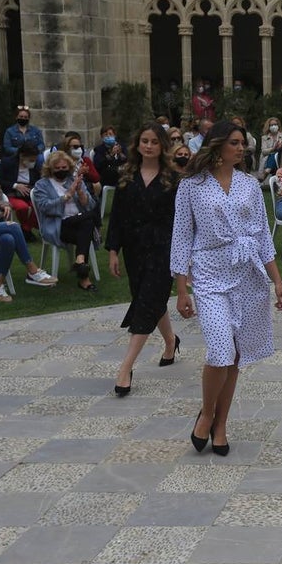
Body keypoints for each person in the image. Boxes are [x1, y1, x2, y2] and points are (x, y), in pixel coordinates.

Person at [172, 119, 282, 455]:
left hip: (247, 276)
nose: (241, 148)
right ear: (218, 144)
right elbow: (181, 237)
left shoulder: (249, 184)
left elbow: (262, 234)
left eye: (242, 143)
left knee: (235, 354)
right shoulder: (191, 186)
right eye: (234, 143)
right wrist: (182, 289)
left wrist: (277, 280)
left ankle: (221, 424)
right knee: (220, 350)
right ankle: (207, 414)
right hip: (209, 276)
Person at [106, 123, 180, 397]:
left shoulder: (173, 178)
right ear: (137, 144)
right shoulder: (126, 175)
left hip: (163, 248)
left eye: (154, 141)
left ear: (162, 146)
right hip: (134, 248)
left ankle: (125, 369)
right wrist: (113, 251)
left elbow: (181, 220)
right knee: (149, 299)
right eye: (144, 141)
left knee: (147, 302)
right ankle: (171, 341)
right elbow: (117, 216)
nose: (149, 146)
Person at [32, 151, 98, 291]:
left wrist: (80, 192)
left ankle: (80, 262)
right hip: (58, 225)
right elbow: (44, 207)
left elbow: (90, 205)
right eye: (57, 168)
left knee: (85, 225)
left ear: (69, 167)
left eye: (64, 168)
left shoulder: (74, 180)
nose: (61, 170)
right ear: (50, 168)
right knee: (89, 219)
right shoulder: (41, 185)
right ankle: (84, 278)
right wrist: (67, 196)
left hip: (78, 225)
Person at [0, 180, 58, 302]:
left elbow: (0, 200)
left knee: (8, 240)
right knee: (13, 227)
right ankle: (32, 270)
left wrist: (4, 205)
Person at [0, 141, 42, 236]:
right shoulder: (7, 162)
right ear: (22, 156)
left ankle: (26, 229)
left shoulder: (36, 166)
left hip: (30, 193)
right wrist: (15, 186)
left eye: (34, 160)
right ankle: (26, 231)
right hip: (12, 193)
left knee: (38, 206)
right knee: (22, 207)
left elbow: (39, 180)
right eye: (30, 160)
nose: (33, 162)